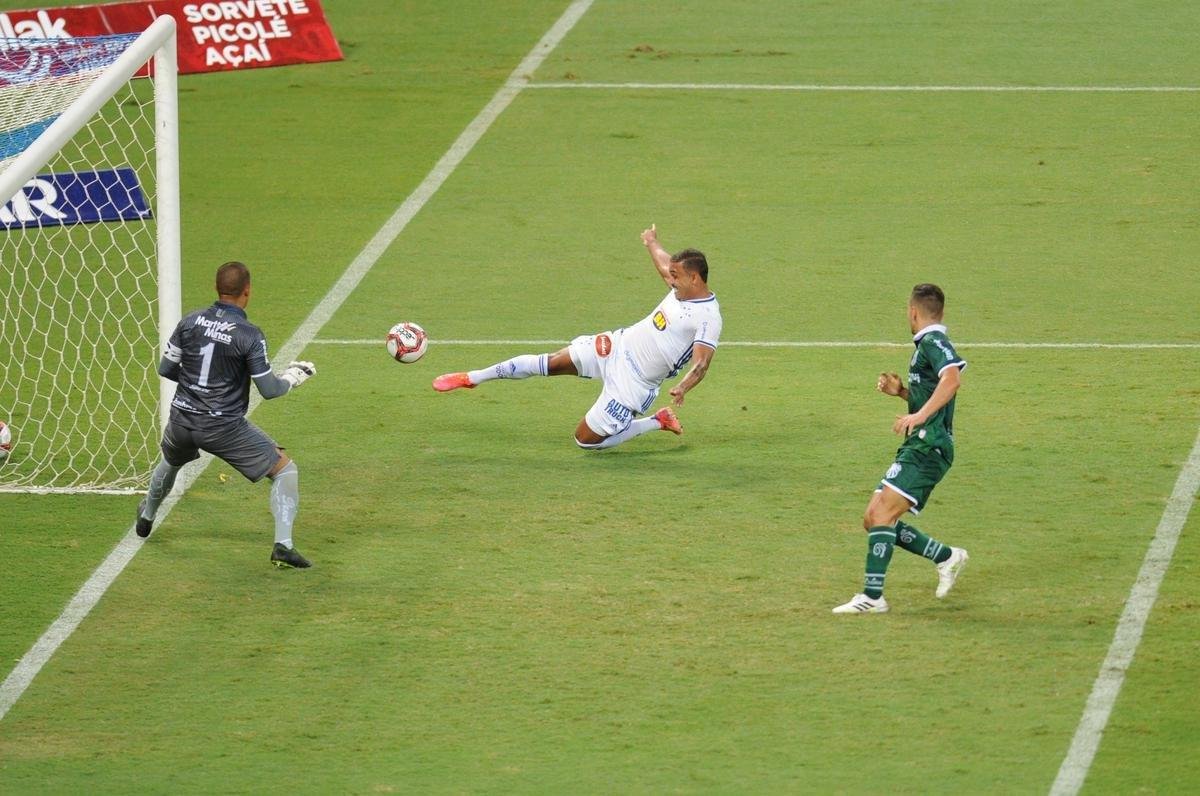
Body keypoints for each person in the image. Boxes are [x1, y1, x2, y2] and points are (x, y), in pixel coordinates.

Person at [432, 225, 722, 450]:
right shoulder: (680, 286)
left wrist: (683, 387)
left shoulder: (708, 317)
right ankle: (472, 378)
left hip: (634, 384)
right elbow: (663, 266)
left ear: (694, 278)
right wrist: (651, 242)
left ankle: (658, 421)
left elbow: (701, 364)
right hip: (618, 346)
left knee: (585, 440)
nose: (670, 280)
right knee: (552, 362)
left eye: (676, 276)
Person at [135, 261, 317, 569]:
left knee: (172, 460)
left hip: (181, 417)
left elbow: (166, 368)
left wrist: (197, 387)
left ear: (217, 289)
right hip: (222, 426)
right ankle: (283, 546)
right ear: (247, 292)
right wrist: (293, 377)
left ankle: (146, 515)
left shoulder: (190, 321)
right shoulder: (249, 335)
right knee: (285, 471)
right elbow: (270, 390)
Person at [833, 283, 970, 614]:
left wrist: (918, 415)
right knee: (873, 519)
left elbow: (952, 380)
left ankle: (873, 596)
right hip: (918, 443)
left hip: (929, 447)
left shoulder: (934, 342)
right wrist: (903, 394)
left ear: (913, 311)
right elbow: (935, 389)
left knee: (882, 515)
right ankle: (946, 556)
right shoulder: (925, 345)